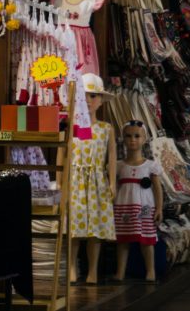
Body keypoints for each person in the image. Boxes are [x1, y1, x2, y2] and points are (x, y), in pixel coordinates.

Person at [69, 73, 116, 285]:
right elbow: (63, 155)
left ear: (100, 100)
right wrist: (60, 183)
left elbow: (112, 157)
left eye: (94, 95)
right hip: (75, 182)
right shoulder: (72, 126)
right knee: (73, 228)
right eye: (85, 95)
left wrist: (113, 182)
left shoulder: (106, 129)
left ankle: (93, 271)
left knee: (95, 230)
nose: (89, 100)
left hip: (97, 182)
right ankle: (71, 269)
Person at [113, 120, 163, 283]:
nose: (132, 140)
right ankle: (120, 271)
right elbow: (113, 187)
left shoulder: (151, 166)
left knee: (146, 240)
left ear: (144, 139)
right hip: (123, 206)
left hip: (145, 207)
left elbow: (157, 188)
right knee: (123, 240)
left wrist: (159, 208)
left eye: (137, 136)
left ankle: (151, 270)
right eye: (128, 136)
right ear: (123, 138)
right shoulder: (118, 165)